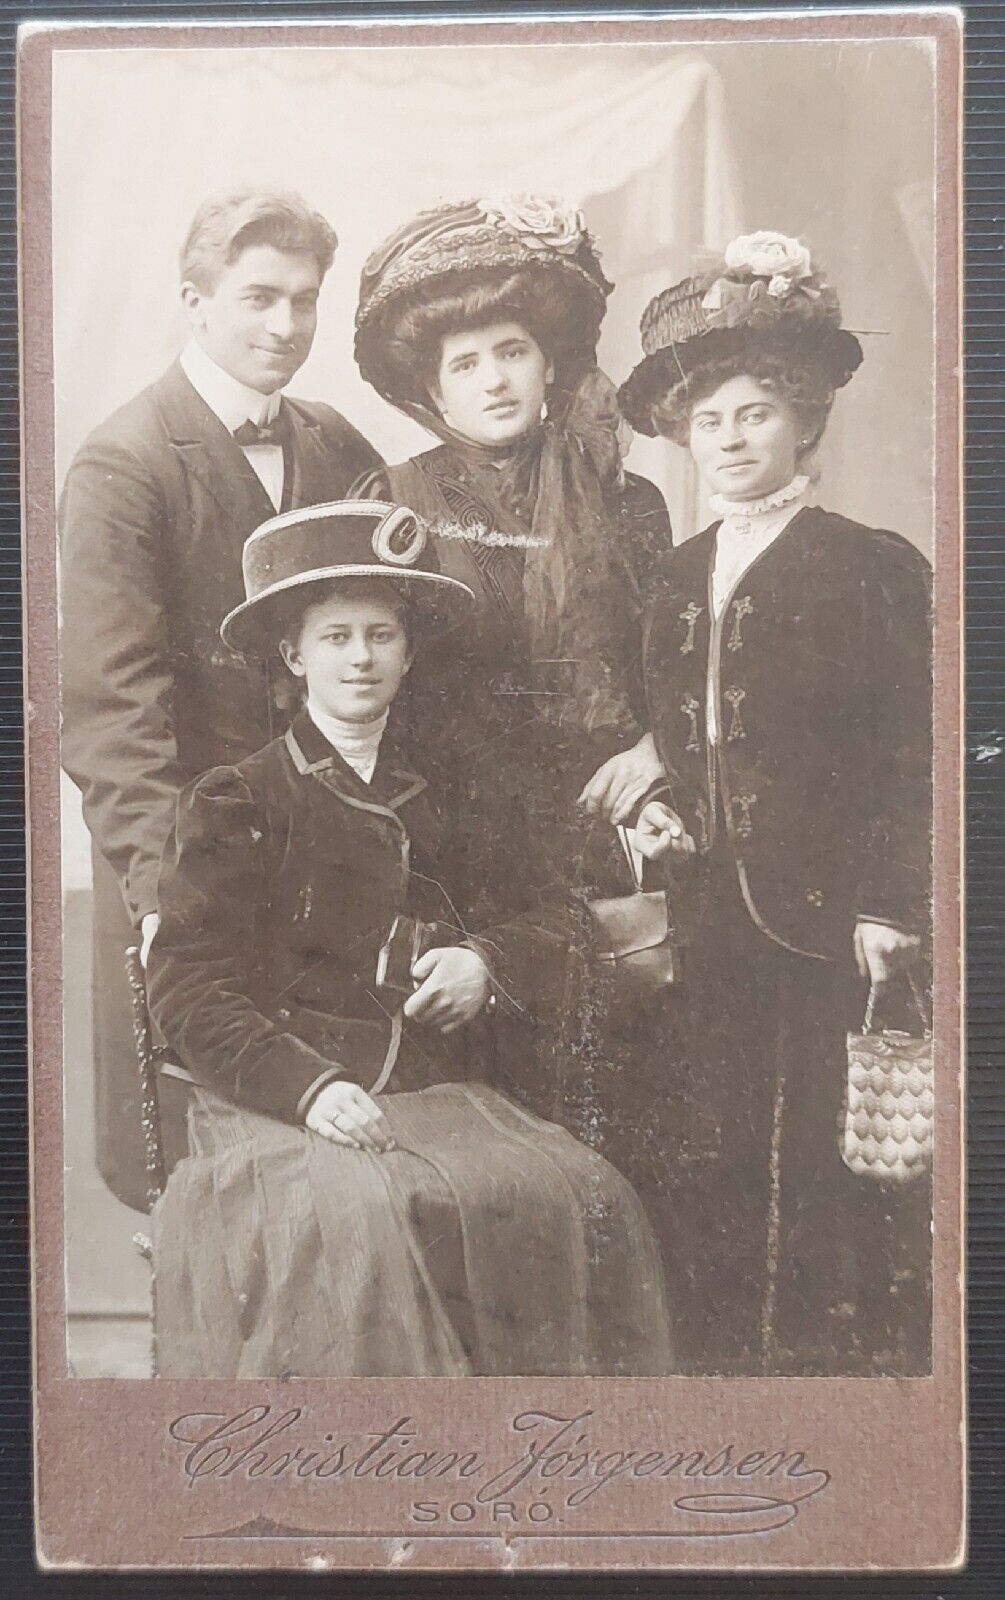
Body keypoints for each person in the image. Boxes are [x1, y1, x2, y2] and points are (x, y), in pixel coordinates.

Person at [144, 500, 672, 1378]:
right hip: (281, 1094)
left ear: (409, 650)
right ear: (293, 655)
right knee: (351, 1223)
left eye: (381, 635)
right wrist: (309, 1089)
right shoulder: (238, 796)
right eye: (336, 636)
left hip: (439, 1080)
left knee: (584, 1193)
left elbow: (559, 913)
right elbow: (188, 987)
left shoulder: (462, 786)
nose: (360, 657)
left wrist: (485, 959)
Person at [617, 230, 933, 1376]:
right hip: (708, 917)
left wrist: (892, 899)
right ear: (684, 438)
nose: (733, 439)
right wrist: (654, 814)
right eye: (711, 421)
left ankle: (824, 1373)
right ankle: (721, 1371)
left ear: (804, 421)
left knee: (824, 1150)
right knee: (717, 1138)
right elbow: (673, 735)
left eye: (756, 413)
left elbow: (916, 747)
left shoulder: (869, 564)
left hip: (830, 915)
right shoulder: (674, 572)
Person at [59, 190, 381, 1206]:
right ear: (194, 302)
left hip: (326, 867)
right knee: (193, 1178)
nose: (285, 326)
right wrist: (165, 896)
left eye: (304, 301)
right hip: (191, 874)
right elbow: (113, 709)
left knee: (340, 1163)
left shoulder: (338, 447)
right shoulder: (126, 461)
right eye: (257, 298)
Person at [351, 195, 674, 1132]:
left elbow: (674, 657)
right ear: (433, 389)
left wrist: (656, 749)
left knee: (618, 1110)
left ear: (547, 365)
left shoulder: (627, 501)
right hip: (457, 852)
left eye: (511, 352)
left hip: (605, 838)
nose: (492, 381)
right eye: (465, 363)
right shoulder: (391, 505)